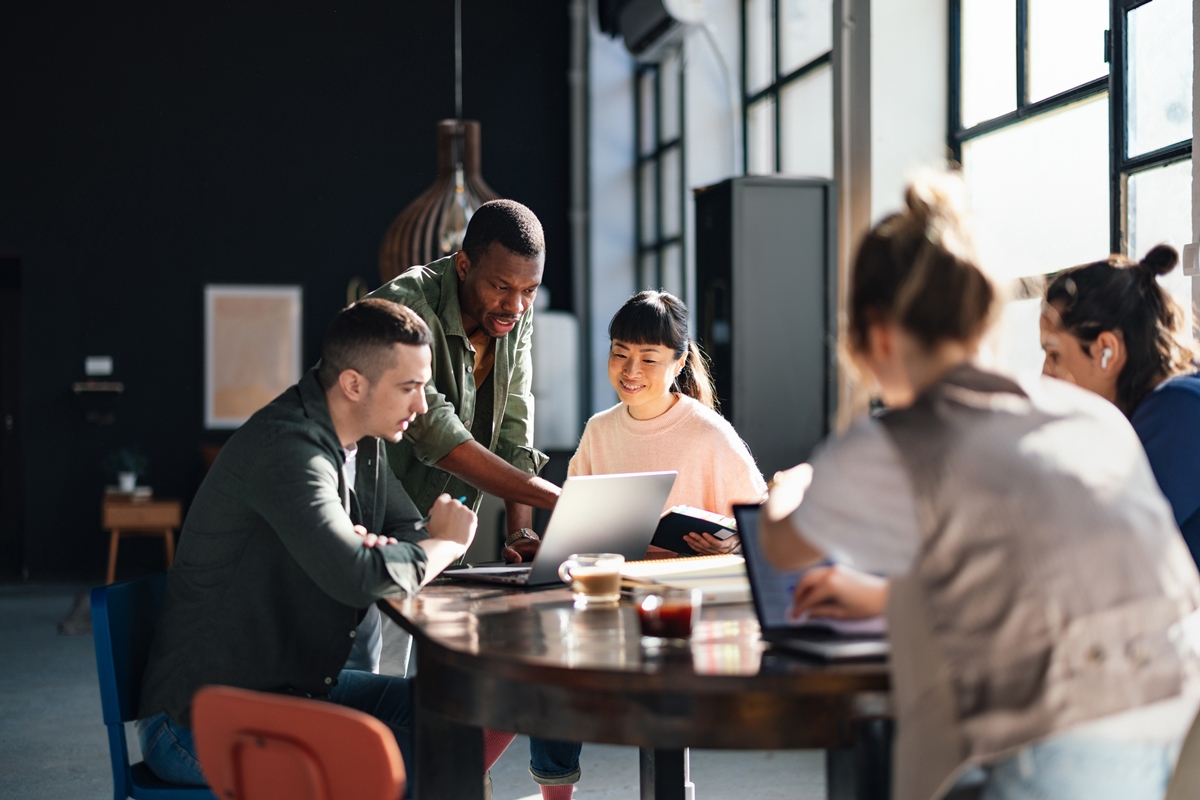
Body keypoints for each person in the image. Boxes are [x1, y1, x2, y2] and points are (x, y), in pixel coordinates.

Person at [759, 174, 1200, 800]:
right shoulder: (1089, 415)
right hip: (1178, 729)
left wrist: (793, 483)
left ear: (875, 336)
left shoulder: (901, 438)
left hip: (1070, 746)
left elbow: (781, 547)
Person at [136, 299, 478, 786]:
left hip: (292, 690)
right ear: (353, 384)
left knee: (459, 717)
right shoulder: (287, 450)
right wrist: (447, 544)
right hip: (199, 723)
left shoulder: (368, 440)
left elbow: (404, 532)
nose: (422, 406)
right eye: (410, 388)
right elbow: (362, 576)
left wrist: (384, 554)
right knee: (418, 763)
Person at [522, 291, 768, 800]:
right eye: (619, 352)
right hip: (609, 597)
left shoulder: (709, 435)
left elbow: (763, 528)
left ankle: (672, 789)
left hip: (680, 610)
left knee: (652, 690)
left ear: (678, 363)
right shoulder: (599, 431)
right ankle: (554, 793)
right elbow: (575, 524)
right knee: (544, 663)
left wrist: (720, 543)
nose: (630, 369)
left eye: (649, 359)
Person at [365, 199, 561, 564]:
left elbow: (514, 426)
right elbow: (438, 434)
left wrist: (522, 533)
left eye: (529, 290)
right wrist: (563, 502)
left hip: (438, 549)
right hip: (363, 528)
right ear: (463, 265)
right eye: (501, 286)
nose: (515, 306)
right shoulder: (403, 308)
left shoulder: (514, 316)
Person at [1041, 245, 1200, 563]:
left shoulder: (1180, 409)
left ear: (1106, 350)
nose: (1044, 375)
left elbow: (1091, 554)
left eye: (1054, 354)